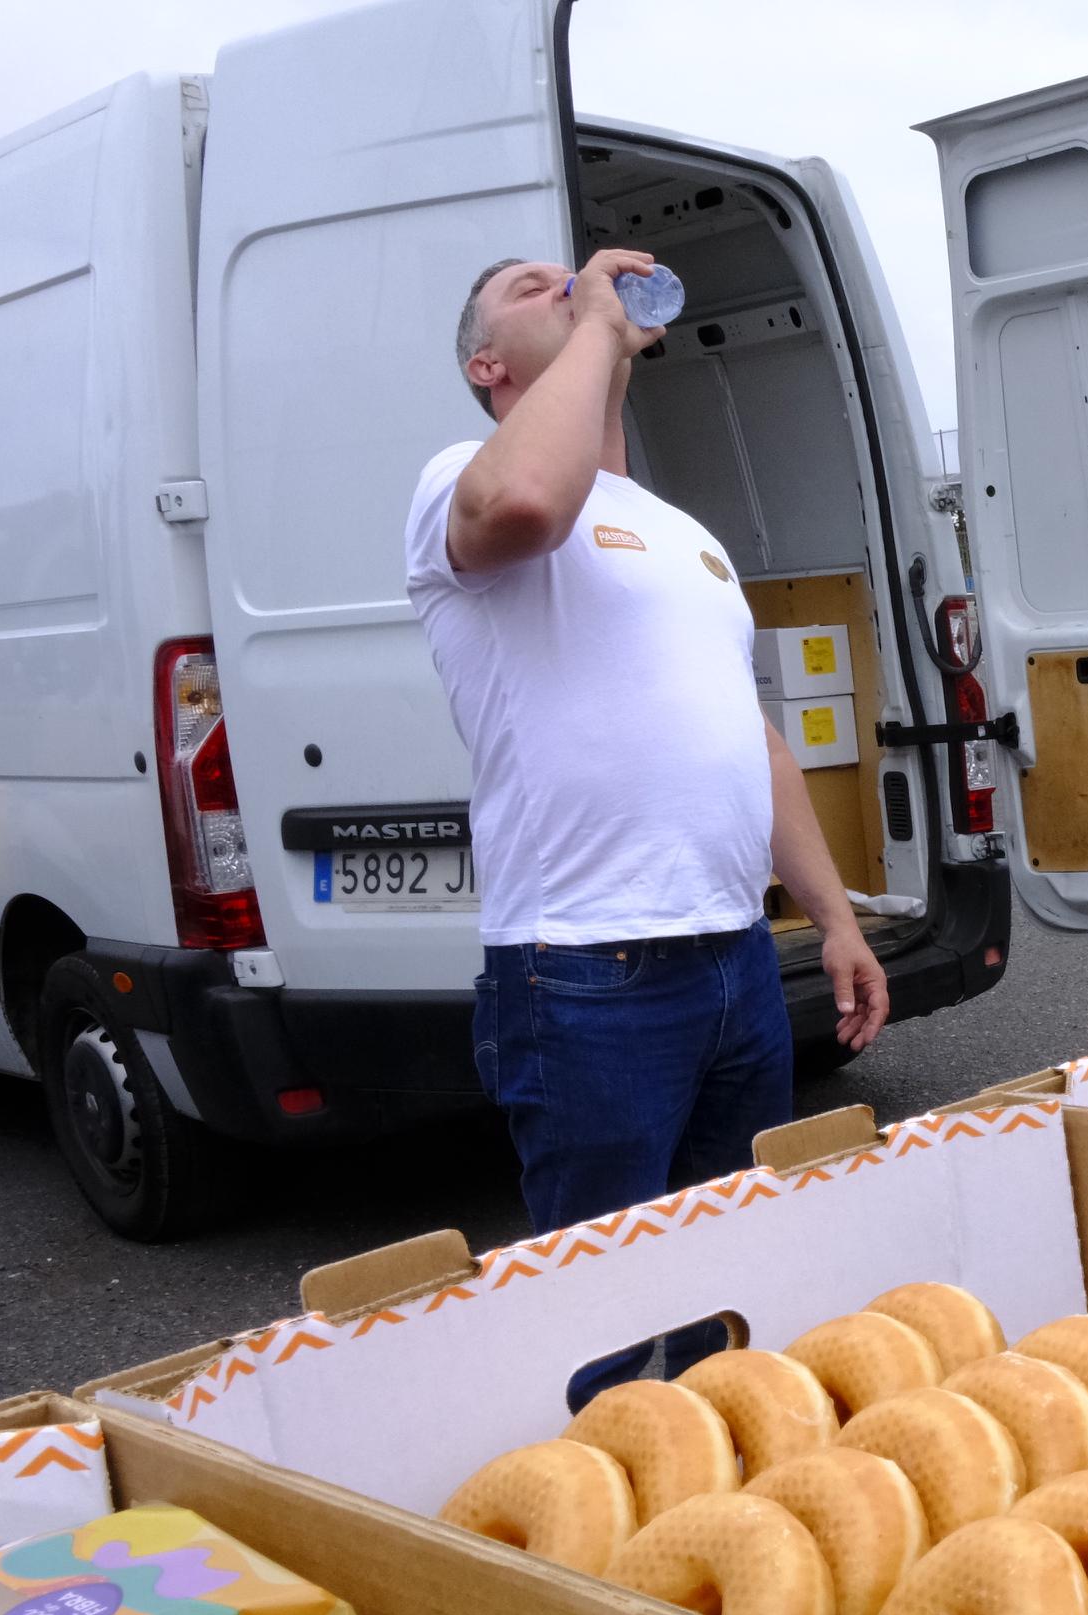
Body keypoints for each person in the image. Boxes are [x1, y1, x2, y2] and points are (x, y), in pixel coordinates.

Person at [407, 248, 889, 1404]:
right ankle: (611, 1537)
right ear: (487, 364)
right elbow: (527, 504)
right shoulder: (458, 473)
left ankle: (729, 1522)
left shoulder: (685, 534)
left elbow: (751, 738)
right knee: (604, 1326)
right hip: (582, 976)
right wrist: (598, 329)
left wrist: (832, 917)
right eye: (535, 289)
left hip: (734, 962)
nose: (568, 283)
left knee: (731, 1290)